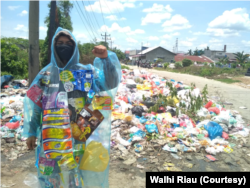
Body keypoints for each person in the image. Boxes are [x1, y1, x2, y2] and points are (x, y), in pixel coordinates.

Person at [23, 27, 121, 188]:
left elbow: (108, 84)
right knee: (49, 174)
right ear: (53, 47)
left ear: (75, 47)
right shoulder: (45, 75)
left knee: (75, 174)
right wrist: (31, 132)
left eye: (69, 43)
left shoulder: (85, 72)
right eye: (59, 43)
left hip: (77, 132)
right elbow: (35, 105)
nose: (64, 46)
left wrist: (105, 59)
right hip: (50, 134)